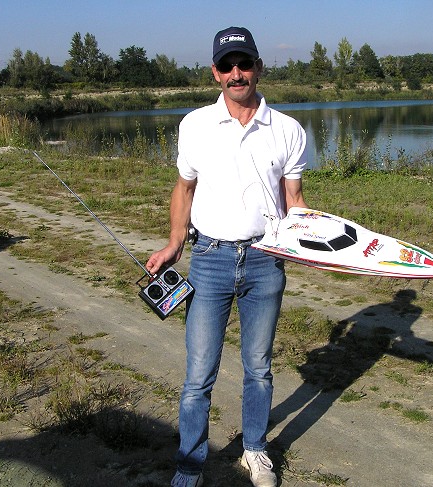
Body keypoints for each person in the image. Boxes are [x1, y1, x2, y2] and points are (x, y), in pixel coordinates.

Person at [145, 26, 308, 487]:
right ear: (215, 73)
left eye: (245, 63)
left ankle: (255, 450)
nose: (237, 73)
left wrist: (313, 240)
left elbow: (293, 198)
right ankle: (190, 465)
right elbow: (185, 188)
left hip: (264, 259)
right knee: (199, 373)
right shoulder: (194, 125)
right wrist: (176, 241)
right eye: (227, 65)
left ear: (259, 67)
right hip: (211, 259)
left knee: (259, 367)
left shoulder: (288, 130)